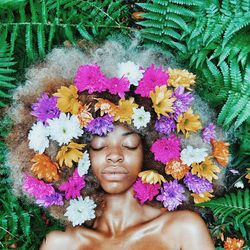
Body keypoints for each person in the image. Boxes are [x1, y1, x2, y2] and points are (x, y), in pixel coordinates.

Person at [6, 42, 228, 249]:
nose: (114, 155)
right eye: (100, 146)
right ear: (80, 156)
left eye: (129, 144)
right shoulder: (63, 245)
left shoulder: (182, 229)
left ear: (150, 151)